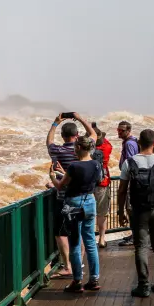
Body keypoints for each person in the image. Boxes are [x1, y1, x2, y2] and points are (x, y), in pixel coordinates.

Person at [118, 129, 154, 298]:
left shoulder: (129, 162)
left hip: (137, 210)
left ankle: (143, 286)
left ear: (139, 143)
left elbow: (122, 190)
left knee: (141, 247)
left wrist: (121, 211)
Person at [49, 134, 102, 293]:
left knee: (75, 243)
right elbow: (94, 180)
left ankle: (77, 281)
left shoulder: (74, 166)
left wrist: (53, 177)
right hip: (90, 201)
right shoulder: (96, 164)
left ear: (78, 147)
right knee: (90, 241)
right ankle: (94, 279)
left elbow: (60, 186)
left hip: (74, 204)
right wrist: (65, 173)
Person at [46, 112, 96, 279]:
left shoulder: (57, 151)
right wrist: (80, 117)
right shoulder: (86, 151)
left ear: (63, 136)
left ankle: (68, 266)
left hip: (65, 198)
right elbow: (93, 135)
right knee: (82, 234)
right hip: (87, 198)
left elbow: (49, 142)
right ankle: (79, 263)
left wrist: (55, 122)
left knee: (61, 233)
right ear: (77, 135)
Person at [91, 123, 112, 249]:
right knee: (102, 213)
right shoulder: (106, 147)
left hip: (88, 183)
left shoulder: (86, 148)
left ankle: (88, 238)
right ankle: (102, 239)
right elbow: (106, 141)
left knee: (87, 212)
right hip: (102, 183)